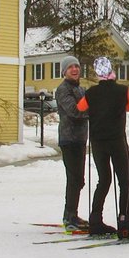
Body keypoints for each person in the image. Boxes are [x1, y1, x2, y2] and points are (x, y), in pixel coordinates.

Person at [76, 56, 129, 238]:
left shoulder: (91, 93)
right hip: (116, 140)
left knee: (104, 180)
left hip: (98, 142)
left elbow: (81, 108)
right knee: (125, 181)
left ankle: (96, 220)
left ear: (97, 73)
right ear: (112, 71)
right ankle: (124, 222)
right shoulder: (123, 90)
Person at [54, 55, 89, 229]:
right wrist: (94, 112)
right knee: (74, 179)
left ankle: (73, 214)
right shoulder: (63, 89)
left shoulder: (81, 89)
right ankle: (69, 217)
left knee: (79, 180)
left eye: (76, 66)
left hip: (80, 139)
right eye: (70, 67)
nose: (74, 69)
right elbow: (75, 111)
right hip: (69, 139)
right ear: (64, 72)